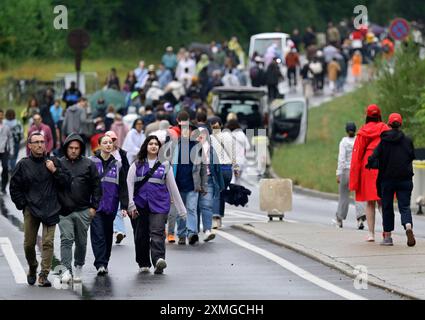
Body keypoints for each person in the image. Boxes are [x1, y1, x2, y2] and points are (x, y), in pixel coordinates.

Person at [10, 132, 71, 287]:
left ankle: (43, 275)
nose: (39, 145)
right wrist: (23, 204)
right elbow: (14, 187)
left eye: (42, 142)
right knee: (28, 244)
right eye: (36, 142)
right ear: (29, 145)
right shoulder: (23, 165)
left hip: (51, 208)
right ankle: (32, 267)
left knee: (48, 243)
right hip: (31, 208)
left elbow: (66, 182)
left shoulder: (53, 161)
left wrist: (54, 171)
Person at [127, 135, 187, 274]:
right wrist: (130, 204)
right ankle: (143, 262)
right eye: (150, 144)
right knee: (141, 235)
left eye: (156, 144)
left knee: (157, 232)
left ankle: (159, 260)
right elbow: (129, 184)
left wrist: (181, 210)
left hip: (159, 205)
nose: (153, 146)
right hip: (140, 205)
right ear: (146, 146)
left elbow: (173, 188)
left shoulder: (165, 165)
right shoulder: (136, 165)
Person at [57, 134, 102, 283]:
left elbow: (97, 186)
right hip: (64, 211)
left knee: (81, 242)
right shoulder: (59, 163)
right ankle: (66, 270)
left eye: (77, 148)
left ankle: (78, 266)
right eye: (71, 148)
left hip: (84, 210)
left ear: (81, 149)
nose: (74, 150)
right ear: (66, 148)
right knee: (66, 239)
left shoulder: (89, 164)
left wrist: (94, 207)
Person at [367, 113, 416, 247]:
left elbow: (374, 157)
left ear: (388, 124)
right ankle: (408, 226)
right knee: (404, 206)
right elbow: (412, 156)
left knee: (387, 207)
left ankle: (388, 237)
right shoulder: (407, 140)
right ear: (400, 124)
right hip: (405, 179)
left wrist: (370, 164)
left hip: (387, 180)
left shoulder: (384, 141)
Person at [350, 105, 390, 242]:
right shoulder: (385, 129)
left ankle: (371, 234)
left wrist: (355, 177)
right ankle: (386, 232)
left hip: (368, 167)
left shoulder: (363, 132)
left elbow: (357, 156)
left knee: (370, 202)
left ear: (367, 116)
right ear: (379, 115)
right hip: (383, 165)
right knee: (383, 201)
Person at [90, 135, 128, 275]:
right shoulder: (91, 162)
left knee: (107, 234)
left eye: (110, 143)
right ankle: (100, 263)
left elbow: (123, 186)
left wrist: (124, 206)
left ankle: (105, 261)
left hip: (111, 205)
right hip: (95, 205)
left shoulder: (118, 164)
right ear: (99, 145)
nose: (108, 145)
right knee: (98, 234)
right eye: (104, 142)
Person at [334, 122, 366, 229]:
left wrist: (338, 173)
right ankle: (360, 218)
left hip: (346, 171)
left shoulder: (343, 142)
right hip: (357, 170)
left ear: (346, 131)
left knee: (344, 195)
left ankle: (340, 218)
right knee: (359, 195)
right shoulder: (359, 140)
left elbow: (341, 158)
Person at [104, 130, 130, 245]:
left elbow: (127, 168)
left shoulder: (122, 153)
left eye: (114, 140)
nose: (111, 143)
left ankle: (119, 231)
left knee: (118, 209)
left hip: (119, 184)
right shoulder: (100, 154)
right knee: (109, 209)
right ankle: (111, 231)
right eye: (109, 140)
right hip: (106, 186)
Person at [0, 109, 14, 194]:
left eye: (1, 115)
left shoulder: (6, 127)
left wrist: (11, 150)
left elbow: (10, 139)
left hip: (4, 150)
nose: (0, 117)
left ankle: (3, 186)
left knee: (5, 167)